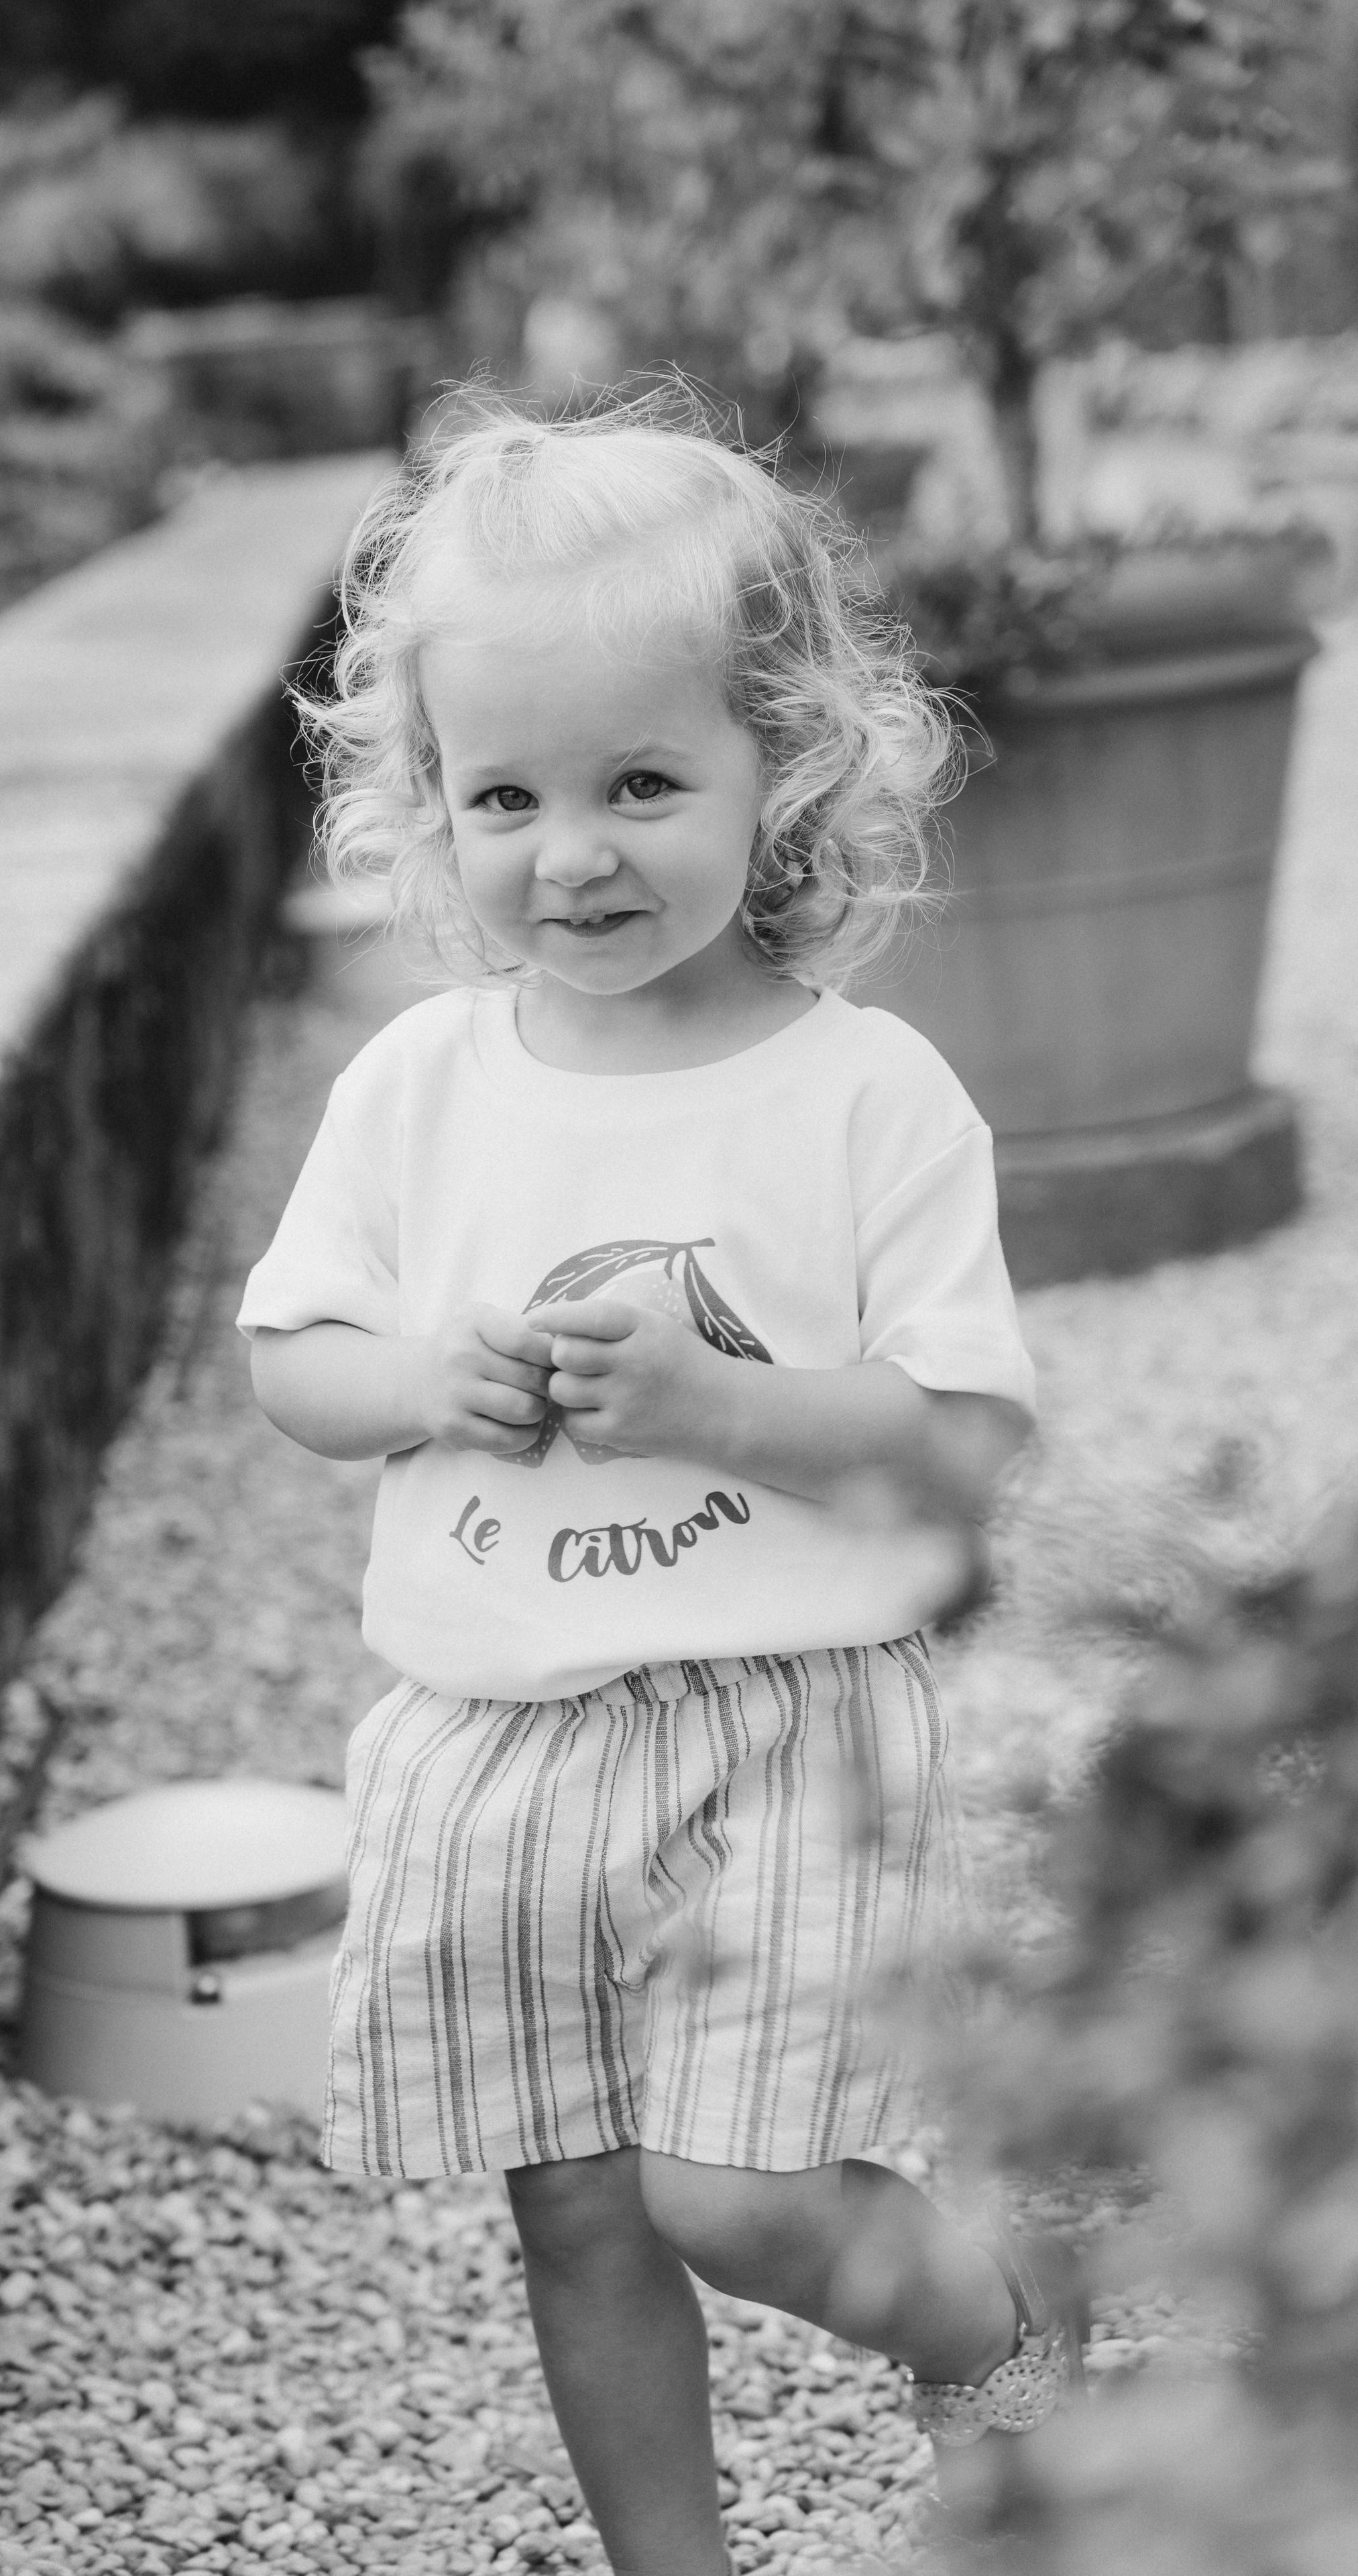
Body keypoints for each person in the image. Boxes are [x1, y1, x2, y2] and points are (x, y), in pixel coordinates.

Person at [238, 387, 1084, 2573]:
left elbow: (971, 1436)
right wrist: (430, 1378)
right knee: (582, 2204)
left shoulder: (865, 1096)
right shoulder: (420, 1084)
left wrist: (720, 1408)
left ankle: (992, 2321)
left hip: (783, 1727)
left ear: (781, 768)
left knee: (733, 2193)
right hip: (496, 1738)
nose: (572, 854)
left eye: (642, 783)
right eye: (505, 794)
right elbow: (295, 1361)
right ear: (428, 800)